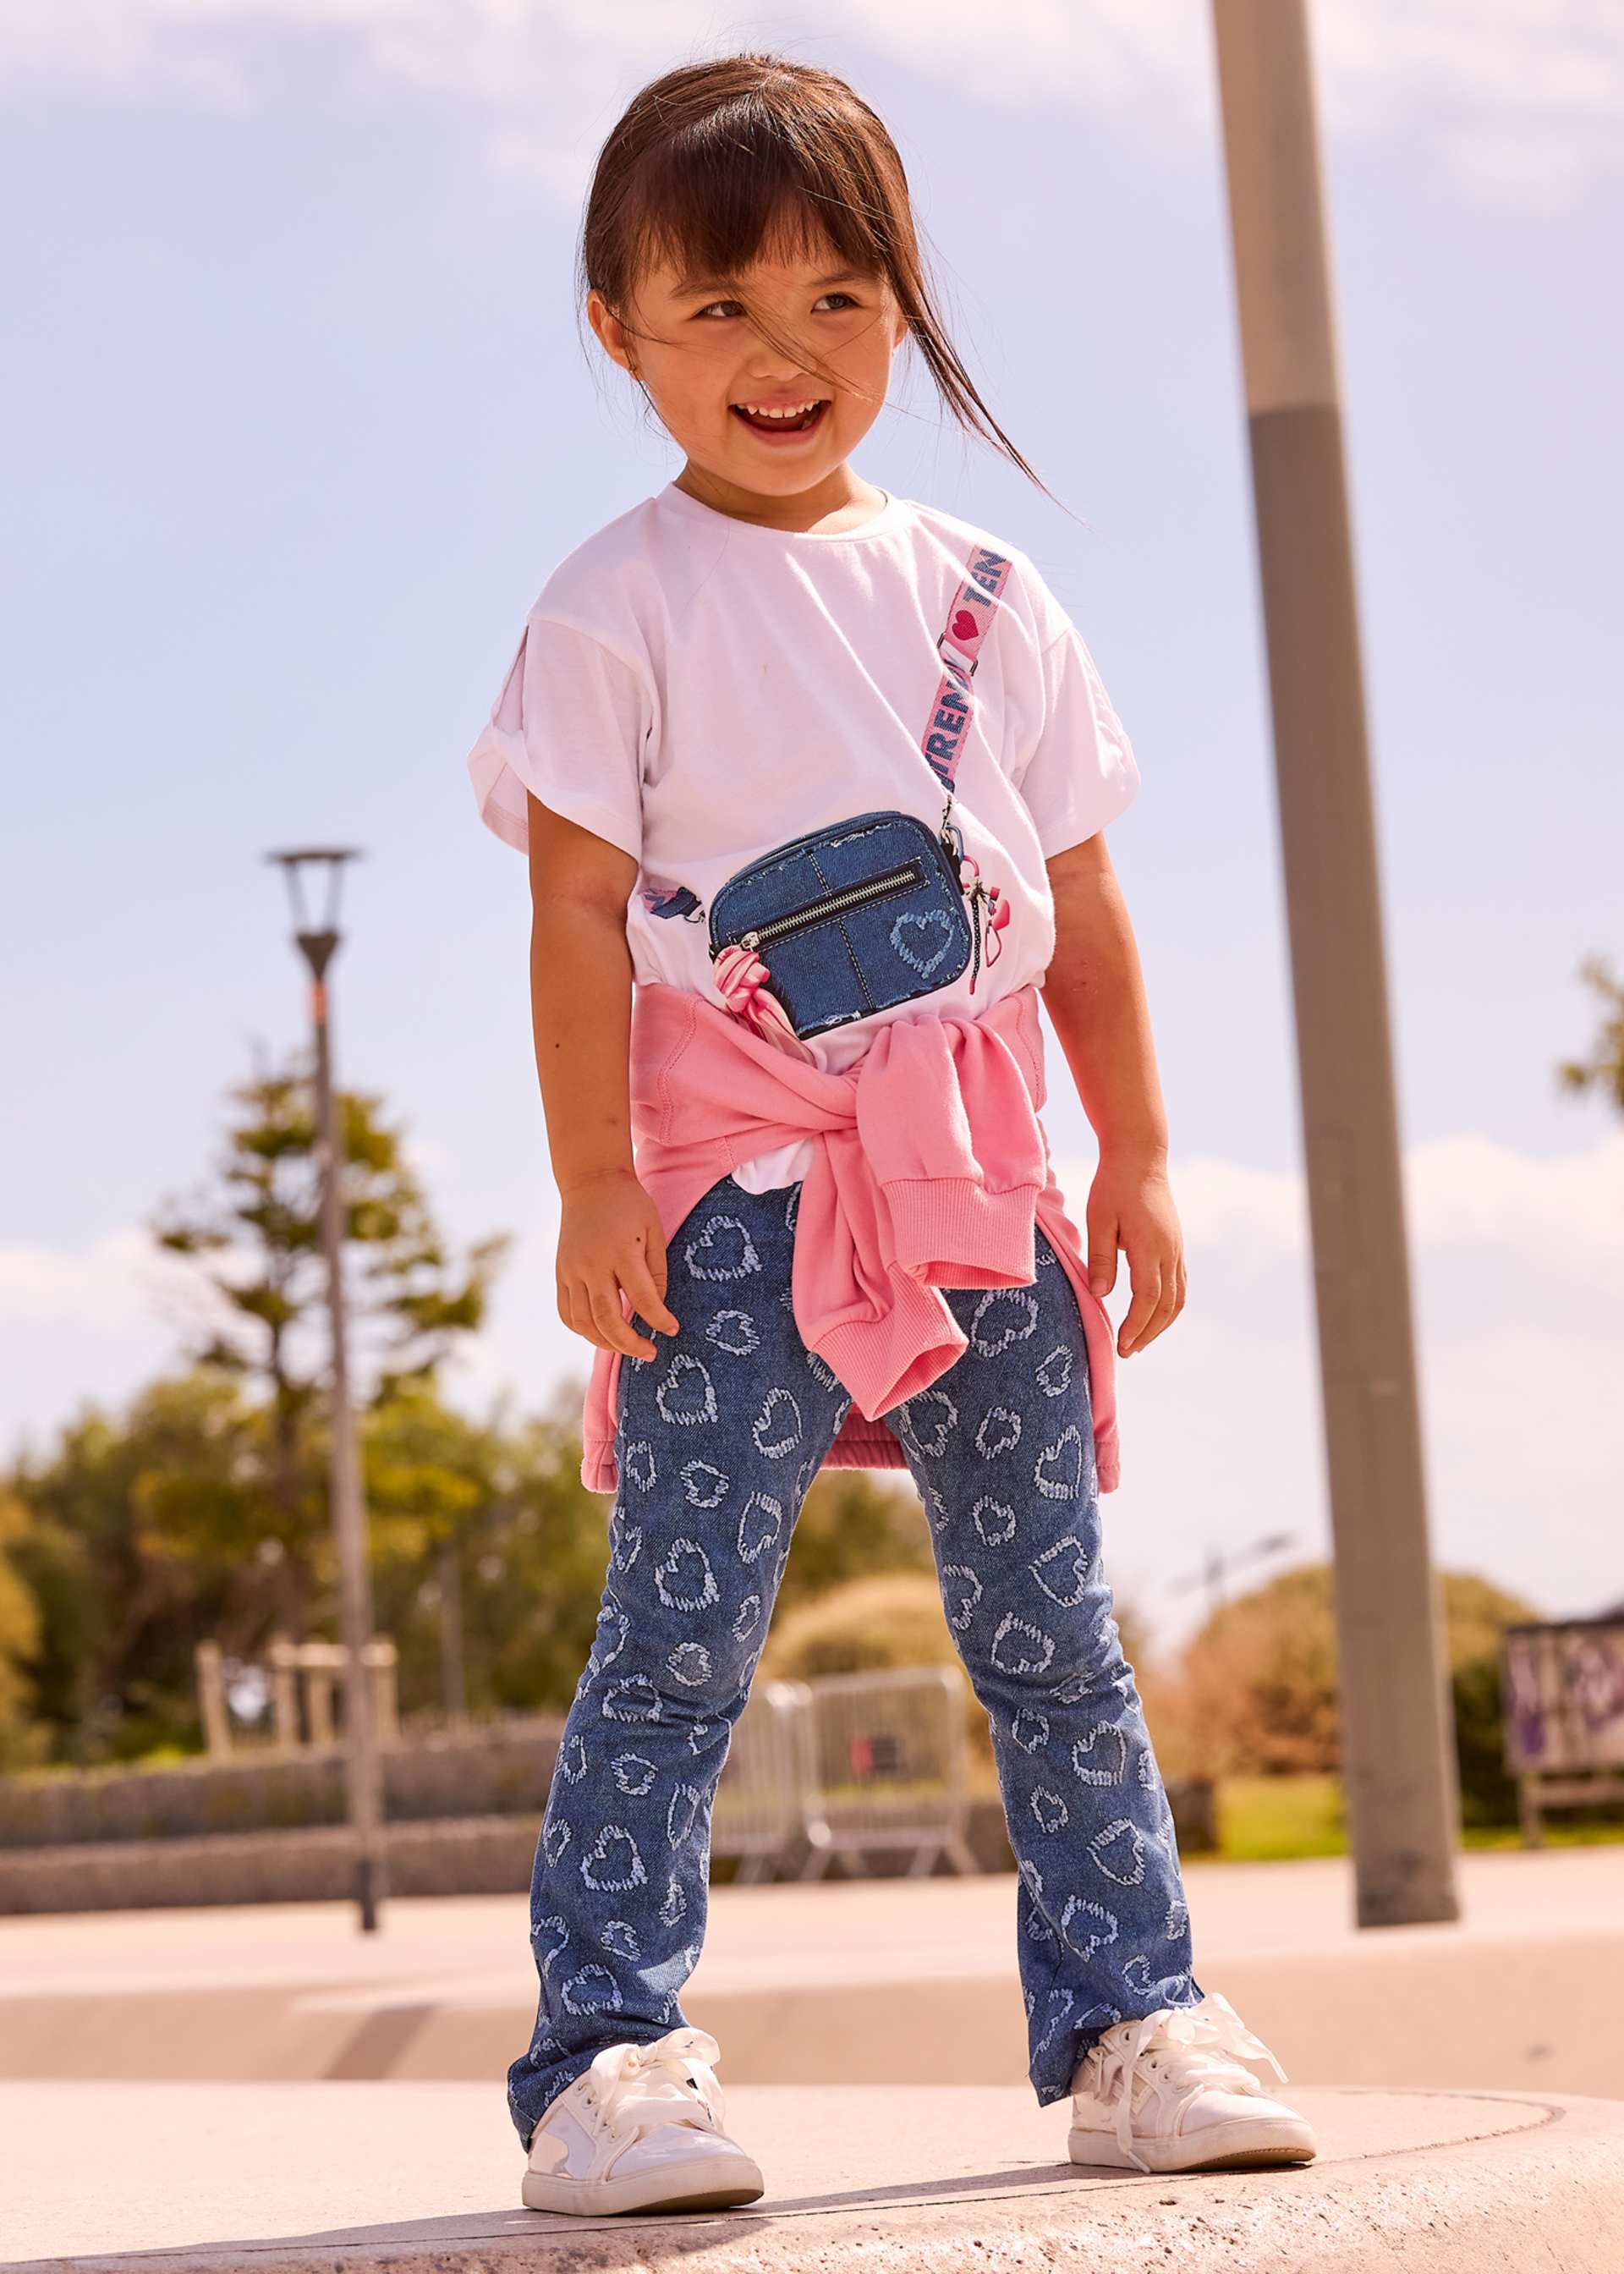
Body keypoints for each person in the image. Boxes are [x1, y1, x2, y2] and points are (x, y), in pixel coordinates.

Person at [464, 50, 1316, 2221]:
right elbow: (572, 912)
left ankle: (1137, 2021)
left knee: (1050, 1626)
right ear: (618, 329)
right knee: (680, 1634)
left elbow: (1087, 909)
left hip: (979, 1193)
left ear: (907, 311)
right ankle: (610, 2057)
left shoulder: (989, 598)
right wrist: (590, 1181)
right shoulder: (612, 602)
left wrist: (1129, 1158)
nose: (784, 353)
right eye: (722, 305)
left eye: (842, 300)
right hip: (724, 1203)